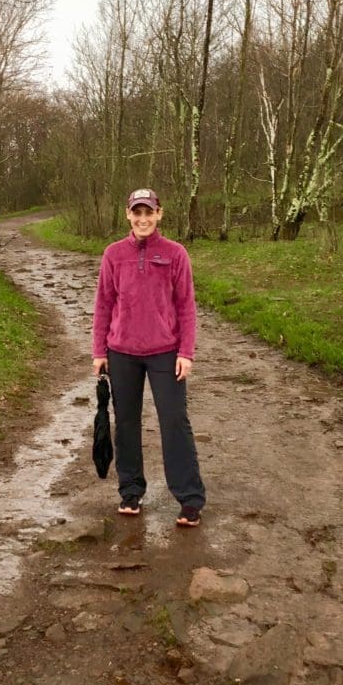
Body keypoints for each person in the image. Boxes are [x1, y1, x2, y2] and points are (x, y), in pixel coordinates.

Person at [91, 187, 206, 527]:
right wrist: (99, 350)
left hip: (165, 353)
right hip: (121, 352)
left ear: (159, 214)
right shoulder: (113, 254)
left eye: (149, 212)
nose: (143, 219)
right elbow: (104, 304)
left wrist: (186, 352)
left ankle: (189, 498)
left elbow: (186, 306)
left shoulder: (175, 254)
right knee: (125, 422)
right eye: (137, 212)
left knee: (174, 422)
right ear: (128, 214)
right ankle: (130, 490)